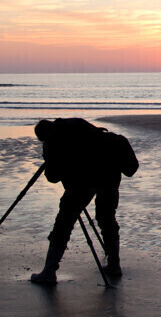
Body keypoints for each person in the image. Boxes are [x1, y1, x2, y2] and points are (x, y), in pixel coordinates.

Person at [29, 118, 138, 285]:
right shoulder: (78, 124)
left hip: (82, 181)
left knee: (64, 222)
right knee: (107, 218)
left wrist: (49, 157)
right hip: (109, 173)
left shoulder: (53, 138)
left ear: (43, 135)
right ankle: (114, 265)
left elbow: (53, 176)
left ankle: (49, 271)